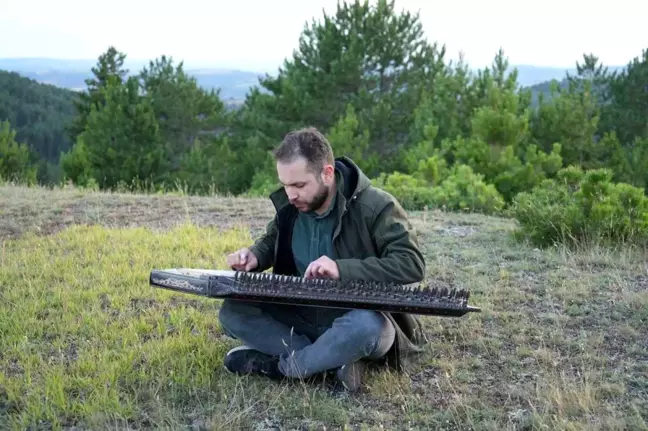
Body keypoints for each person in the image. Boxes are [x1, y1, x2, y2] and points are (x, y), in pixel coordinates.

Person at [219, 127, 428, 391]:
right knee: (233, 311)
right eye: (285, 185)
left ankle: (284, 368)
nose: (291, 194)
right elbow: (272, 241)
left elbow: (411, 263)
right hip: (300, 315)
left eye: (299, 185)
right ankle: (332, 362)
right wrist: (254, 257)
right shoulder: (293, 206)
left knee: (366, 328)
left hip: (357, 319)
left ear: (327, 173)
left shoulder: (376, 206)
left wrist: (341, 269)